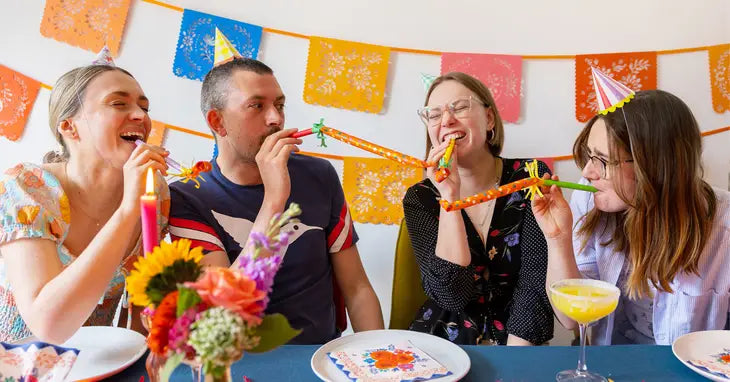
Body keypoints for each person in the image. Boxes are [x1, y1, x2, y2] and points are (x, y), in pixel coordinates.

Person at [168, 58, 384, 344]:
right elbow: (220, 311)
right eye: (256, 106)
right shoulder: (188, 197)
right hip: (242, 362)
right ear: (217, 122)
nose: (276, 119)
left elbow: (357, 289)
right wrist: (274, 200)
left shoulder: (319, 175)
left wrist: (380, 359)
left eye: (279, 105)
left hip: (322, 353)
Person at [533, 89, 730, 345]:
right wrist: (557, 238)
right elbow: (572, 317)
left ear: (654, 166)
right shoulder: (591, 201)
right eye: (589, 155)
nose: (588, 171)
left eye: (602, 160)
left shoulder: (723, 226)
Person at [0, 64, 169, 344]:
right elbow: (49, 326)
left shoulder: (155, 192)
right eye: (118, 103)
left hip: (90, 367)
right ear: (69, 126)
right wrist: (128, 209)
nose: (141, 116)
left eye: (145, 107)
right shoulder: (25, 187)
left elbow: (143, 306)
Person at [404, 72, 554, 345]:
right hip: (442, 341)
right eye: (434, 115)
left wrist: (514, 364)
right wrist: (449, 196)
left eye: (459, 107)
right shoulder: (421, 198)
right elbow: (452, 295)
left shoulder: (531, 176)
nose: (447, 120)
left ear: (489, 119)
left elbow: (535, 282)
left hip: (519, 340)